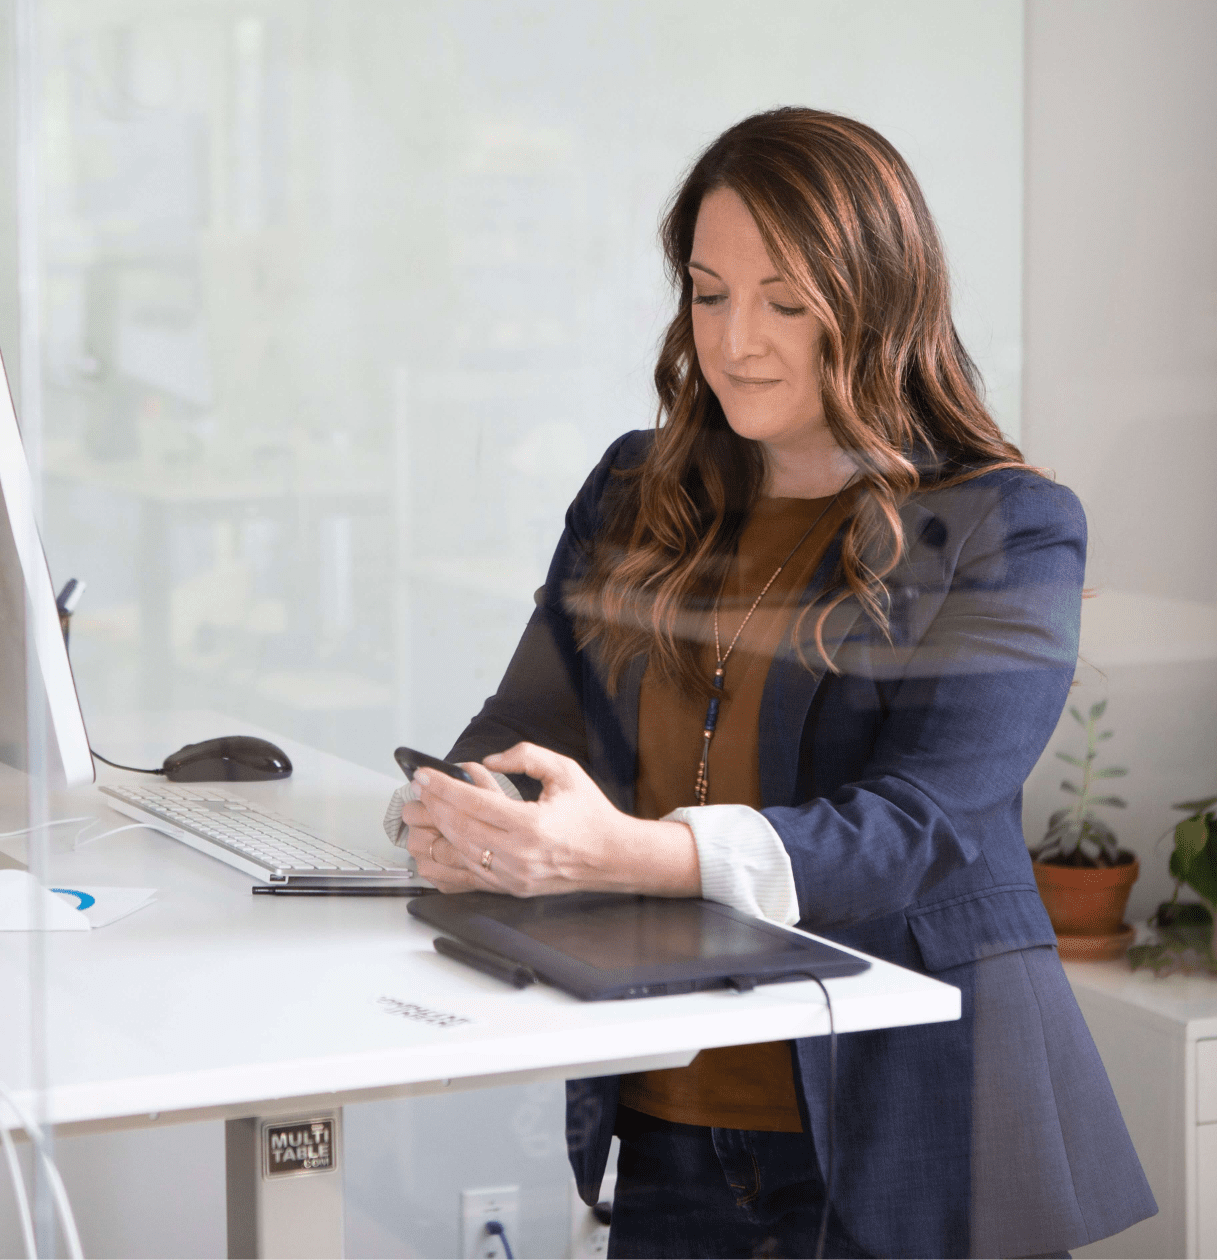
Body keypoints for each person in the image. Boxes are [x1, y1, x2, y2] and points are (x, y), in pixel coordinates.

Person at [388, 108, 1156, 1259]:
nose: (735, 340)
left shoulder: (1007, 525)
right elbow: (517, 733)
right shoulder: (633, 490)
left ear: (878, 300)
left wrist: (611, 852)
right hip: (669, 1123)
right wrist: (461, 816)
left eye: (785, 303)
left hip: (913, 1129)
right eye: (708, 294)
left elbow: (919, 827)